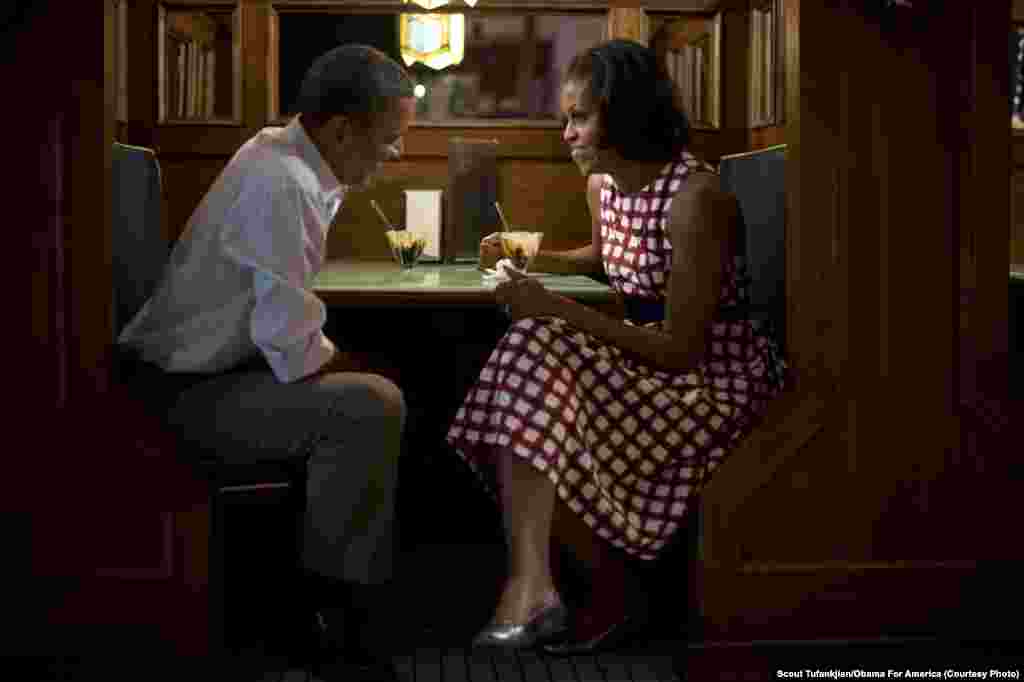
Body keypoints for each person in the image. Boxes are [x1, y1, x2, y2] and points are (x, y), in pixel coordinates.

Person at [447, 39, 788, 655]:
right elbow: (606, 262)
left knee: (535, 349)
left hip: (712, 380)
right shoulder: (604, 186)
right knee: (532, 352)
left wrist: (555, 307)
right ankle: (541, 585)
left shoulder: (696, 200)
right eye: (566, 119)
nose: (567, 134)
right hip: (643, 361)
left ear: (625, 113)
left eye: (579, 117)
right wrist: (531, 257)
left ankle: (574, 589)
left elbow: (683, 350)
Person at [117, 45, 415, 681]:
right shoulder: (281, 184)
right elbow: (294, 347)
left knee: (373, 385)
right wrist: (361, 373)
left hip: (211, 379)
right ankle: (331, 624)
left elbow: (287, 333)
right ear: (341, 130)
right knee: (371, 406)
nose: (393, 157)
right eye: (388, 142)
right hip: (179, 397)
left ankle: (336, 602)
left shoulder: (284, 161)